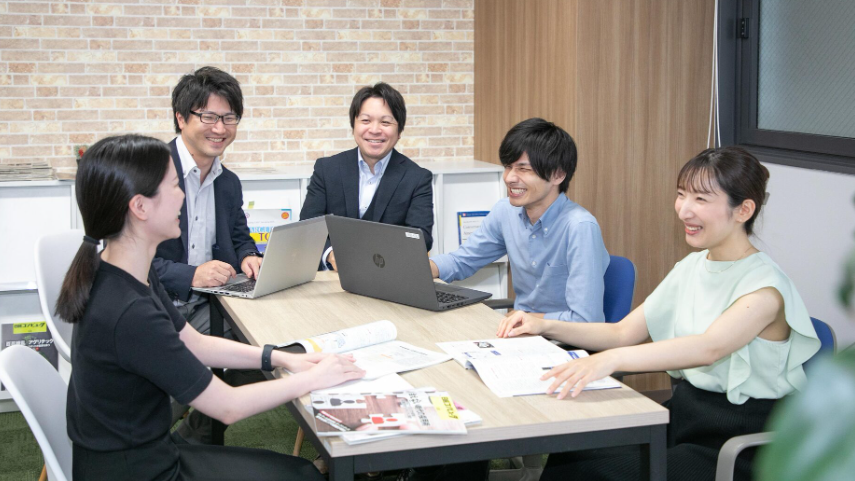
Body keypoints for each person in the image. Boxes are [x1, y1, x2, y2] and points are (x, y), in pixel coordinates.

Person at [497, 146, 821, 481]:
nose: (684, 210)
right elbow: (622, 332)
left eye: (701, 199)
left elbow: (709, 348)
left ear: (744, 210)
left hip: (736, 441)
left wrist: (609, 360)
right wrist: (544, 325)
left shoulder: (766, 288)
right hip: (683, 418)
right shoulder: (693, 265)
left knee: (594, 472)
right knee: (574, 450)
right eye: (681, 195)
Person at [58, 134, 364, 480]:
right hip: (140, 472)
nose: (183, 196)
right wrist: (313, 378)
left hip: (143, 454)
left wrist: (282, 358)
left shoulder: (124, 270)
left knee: (298, 471)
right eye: (174, 186)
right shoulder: (129, 311)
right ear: (139, 207)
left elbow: (195, 343)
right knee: (302, 475)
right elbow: (227, 406)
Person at [430, 118, 610, 323]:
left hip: (562, 337)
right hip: (519, 331)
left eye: (523, 169)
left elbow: (586, 320)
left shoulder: (580, 227)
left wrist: (531, 319)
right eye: (508, 167)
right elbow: (462, 261)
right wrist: (421, 269)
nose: (509, 178)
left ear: (558, 175)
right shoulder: (505, 211)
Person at [153, 66, 261, 337]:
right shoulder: (149, 172)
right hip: (154, 308)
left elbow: (239, 238)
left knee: (267, 332)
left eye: (229, 118)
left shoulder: (228, 182)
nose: (220, 128)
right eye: (208, 117)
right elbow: (125, 259)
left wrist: (248, 255)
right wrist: (191, 276)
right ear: (181, 118)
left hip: (209, 307)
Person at [300, 82, 434, 270]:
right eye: (365, 120)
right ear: (353, 125)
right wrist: (331, 255)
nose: (375, 130)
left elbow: (421, 238)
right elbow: (307, 227)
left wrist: (375, 258)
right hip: (332, 277)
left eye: (385, 122)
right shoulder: (327, 169)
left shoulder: (417, 178)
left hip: (387, 276)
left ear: (399, 131)